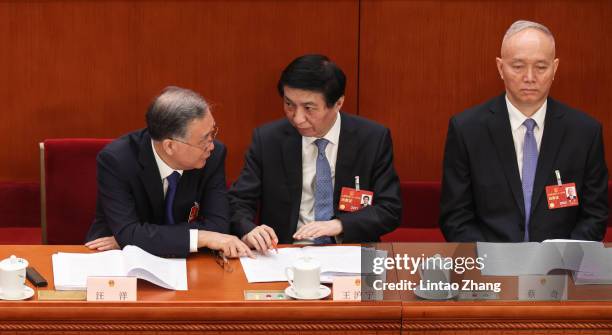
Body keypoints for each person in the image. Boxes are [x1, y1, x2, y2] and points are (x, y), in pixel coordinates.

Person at [440, 20, 608, 242]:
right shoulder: (467, 130)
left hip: (561, 269)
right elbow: (455, 217)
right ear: (501, 68)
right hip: (490, 268)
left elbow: (595, 216)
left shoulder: (585, 132)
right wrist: (493, 262)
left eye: (541, 67)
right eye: (518, 66)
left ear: (555, 68)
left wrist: (562, 258)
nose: (530, 77)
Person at [228, 54, 401, 252]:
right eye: (289, 104)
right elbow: (239, 200)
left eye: (309, 108)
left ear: (338, 103)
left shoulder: (372, 139)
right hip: (284, 252)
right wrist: (249, 229)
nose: (297, 118)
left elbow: (389, 210)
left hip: (351, 250)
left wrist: (338, 225)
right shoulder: (268, 139)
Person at [85, 86, 252, 258]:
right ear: (170, 146)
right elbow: (128, 232)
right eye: (204, 139)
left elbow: (218, 226)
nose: (211, 145)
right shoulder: (117, 161)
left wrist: (137, 238)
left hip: (187, 259)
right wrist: (201, 236)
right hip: (118, 256)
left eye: (212, 133)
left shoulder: (213, 156)